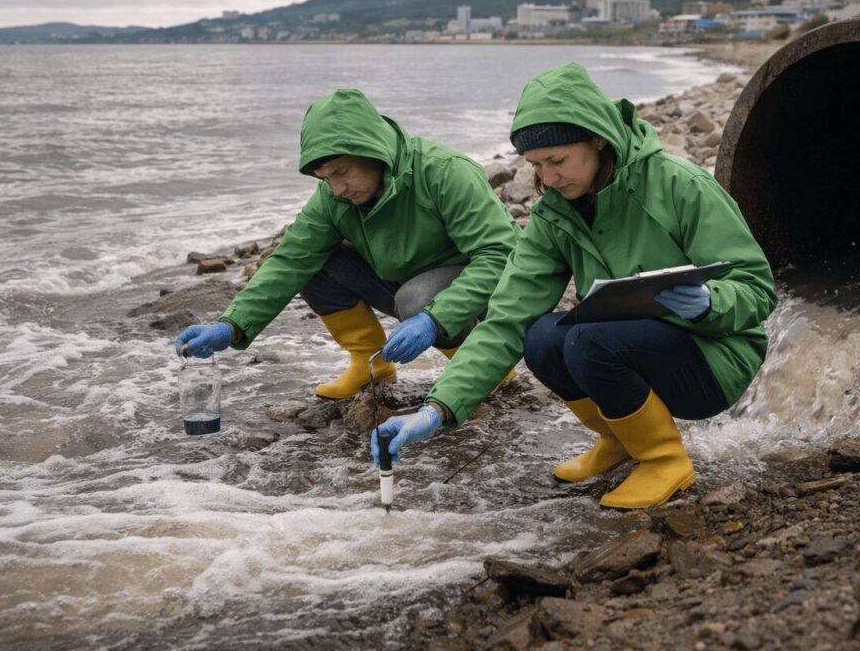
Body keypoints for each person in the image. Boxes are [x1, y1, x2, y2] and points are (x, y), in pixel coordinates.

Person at [373, 62, 776, 509]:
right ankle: (621, 439)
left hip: (714, 357)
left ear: (597, 138)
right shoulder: (554, 214)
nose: (547, 179)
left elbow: (758, 289)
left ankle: (664, 461)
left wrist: (708, 303)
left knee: (586, 338)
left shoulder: (681, 185)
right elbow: (507, 317)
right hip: (626, 346)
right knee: (541, 336)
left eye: (558, 161)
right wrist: (438, 408)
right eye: (535, 165)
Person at [175, 88, 519, 399]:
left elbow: (501, 255)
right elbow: (291, 259)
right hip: (405, 282)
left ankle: (481, 367)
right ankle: (371, 364)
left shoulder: (444, 172)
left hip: (480, 293)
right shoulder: (333, 196)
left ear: (373, 152)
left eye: (341, 173)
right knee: (314, 264)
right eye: (325, 179)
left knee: (416, 299)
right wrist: (231, 325)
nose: (336, 189)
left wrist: (433, 318)